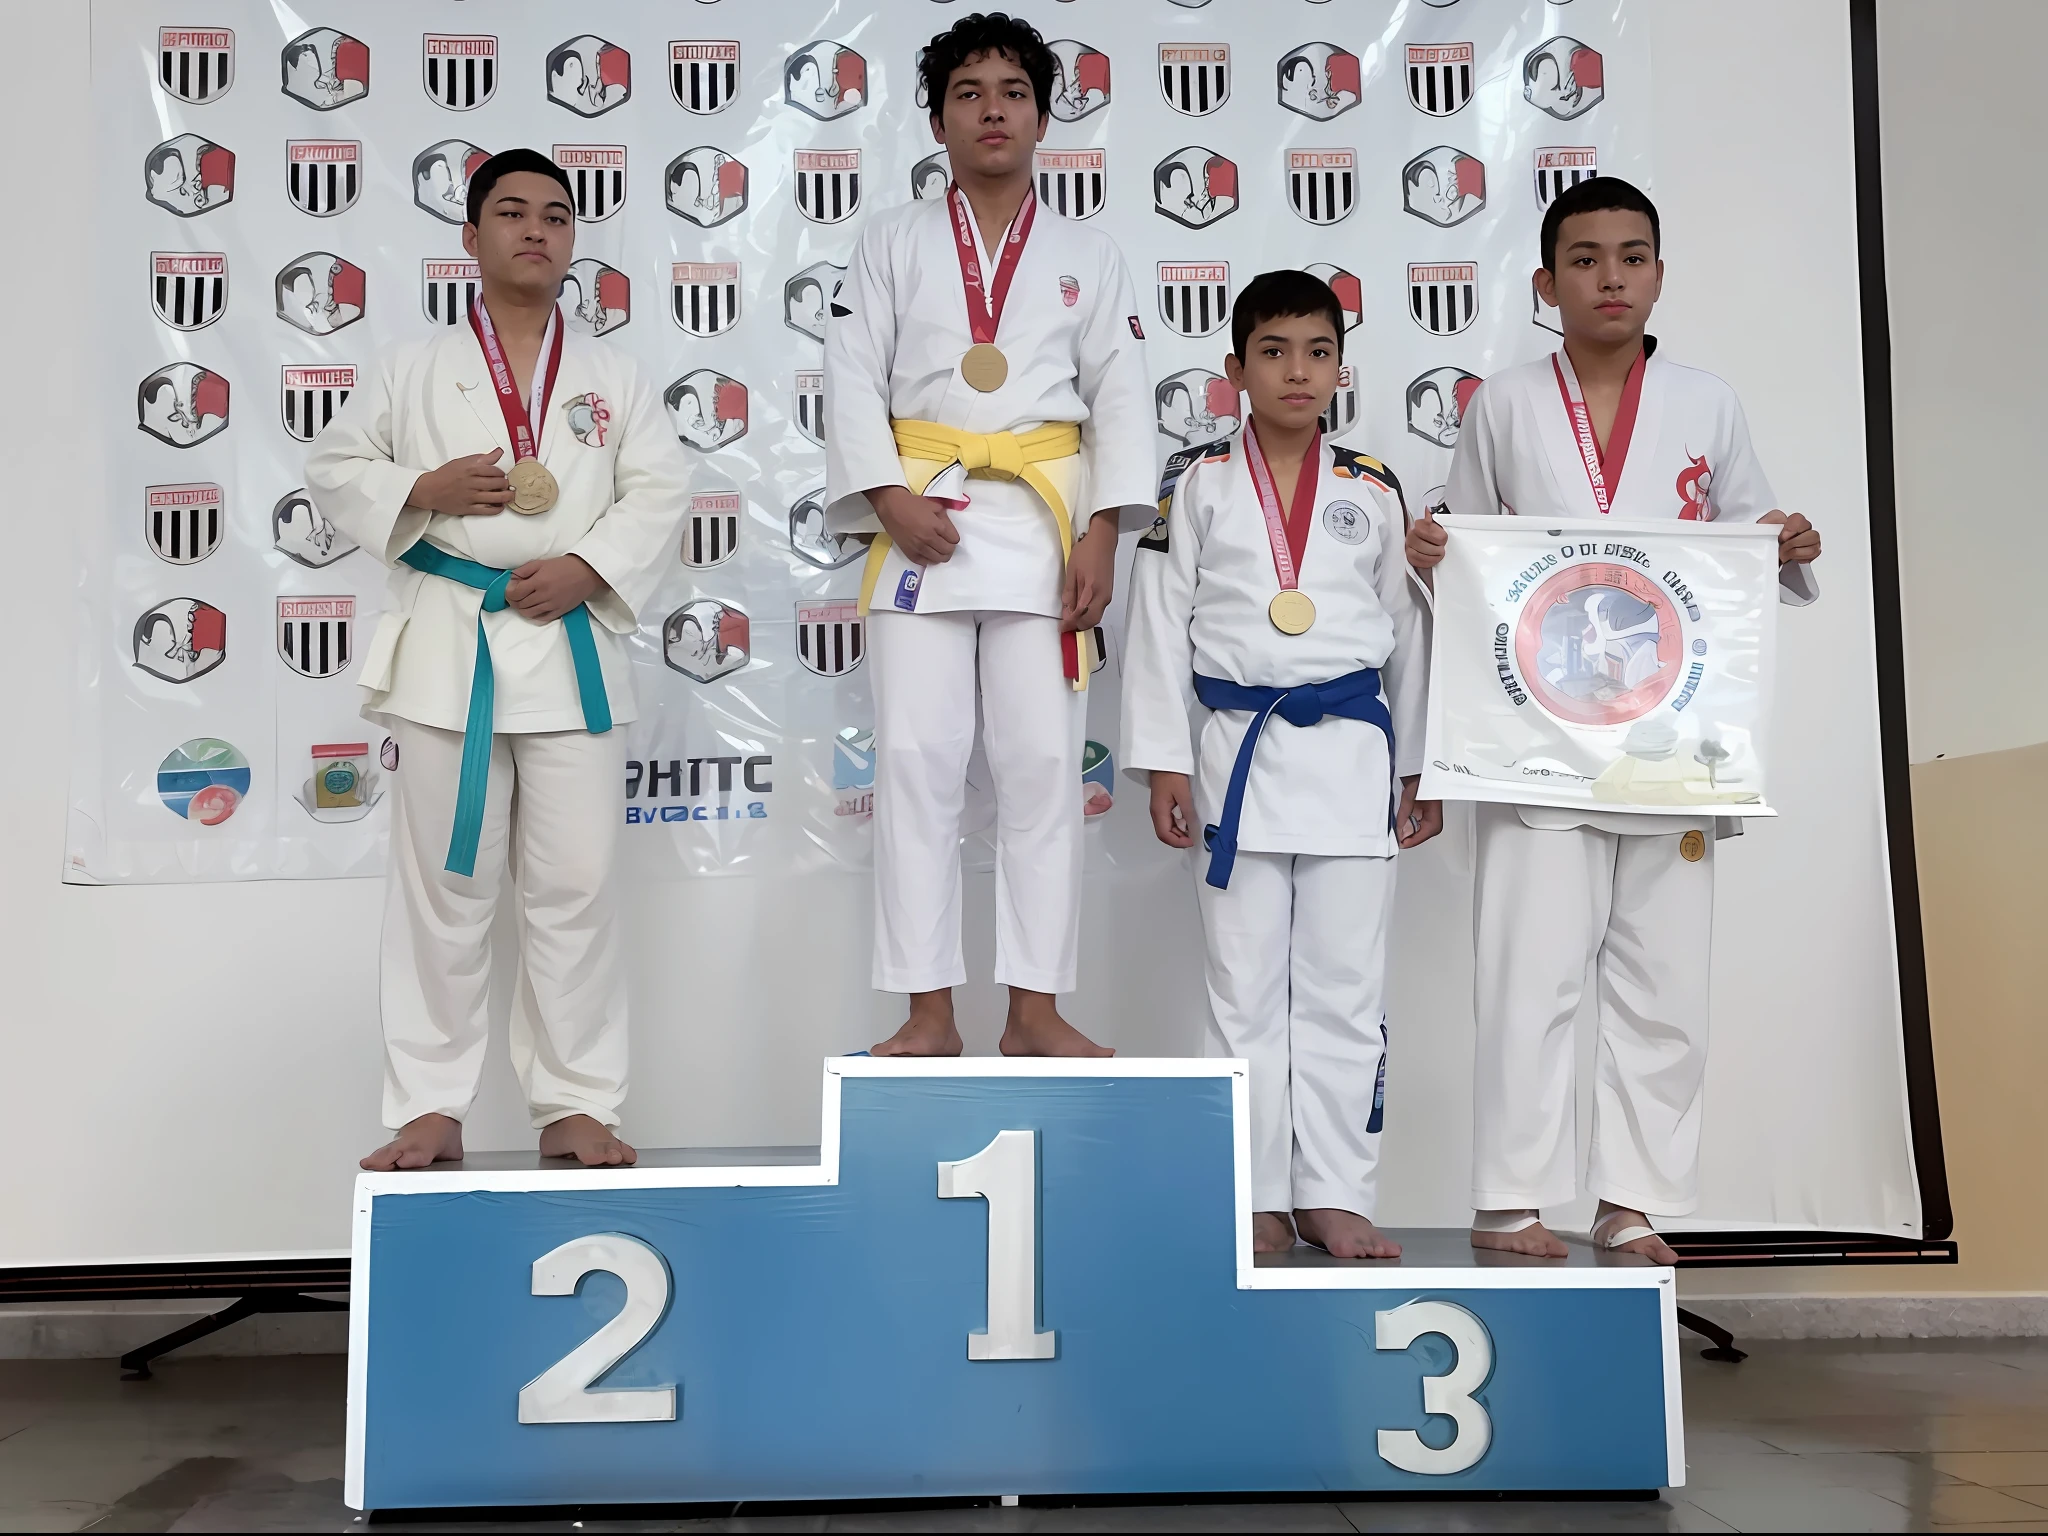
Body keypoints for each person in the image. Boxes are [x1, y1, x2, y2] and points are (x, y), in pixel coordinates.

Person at [1407, 176, 1823, 1260]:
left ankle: (1630, 1199)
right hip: (1532, 737)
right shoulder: (1499, 403)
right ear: (1544, 283)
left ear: (1656, 274)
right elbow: (1472, 566)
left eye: (1630, 257)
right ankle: (1509, 1198)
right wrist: (1433, 562)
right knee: (1527, 974)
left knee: (1661, 983)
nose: (1609, 277)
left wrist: (1783, 543)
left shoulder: (1705, 401)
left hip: (1670, 742)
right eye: (1584, 259)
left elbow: (1744, 543)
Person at [307, 149, 687, 1170]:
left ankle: (574, 1101)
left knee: (577, 886)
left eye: (554, 215)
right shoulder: (409, 367)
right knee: (444, 887)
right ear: (469, 239)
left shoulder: (612, 376)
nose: (534, 228)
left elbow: (659, 493)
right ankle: (429, 1103)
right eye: (510, 212)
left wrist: (586, 568)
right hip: (448, 647)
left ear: (572, 243)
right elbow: (334, 468)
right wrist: (422, 483)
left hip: (570, 650)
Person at [823, 12, 1153, 1058]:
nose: (992, 109)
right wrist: (884, 497)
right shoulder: (887, 243)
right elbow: (846, 380)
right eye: (968, 93)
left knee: (1040, 769)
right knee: (916, 763)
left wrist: (1102, 532)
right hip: (921, 518)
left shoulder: (1086, 254)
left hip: (1044, 529)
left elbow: (1124, 402)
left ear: (1043, 115)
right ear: (936, 120)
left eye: (1011, 90)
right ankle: (925, 1007)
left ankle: (1032, 1006)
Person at [1123, 271, 1440, 1259]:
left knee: (1345, 988)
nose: (1294, 371)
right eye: (1271, 351)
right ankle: (1254, 1192)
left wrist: (1418, 763)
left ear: (1339, 369)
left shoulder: (1372, 488)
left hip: (1351, 756)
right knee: (1241, 991)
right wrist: (1162, 763)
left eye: (1314, 352)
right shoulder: (1195, 484)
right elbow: (1157, 626)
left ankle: (1334, 1192)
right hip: (1235, 755)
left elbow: (1404, 630)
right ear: (1233, 371)